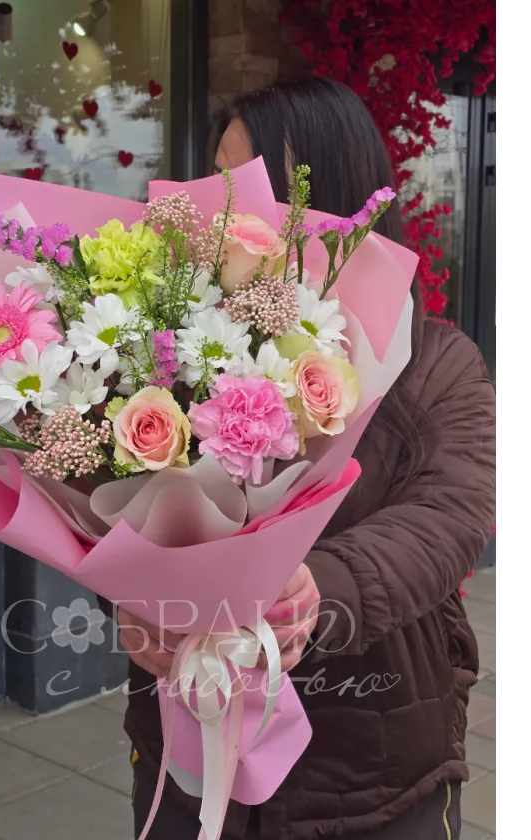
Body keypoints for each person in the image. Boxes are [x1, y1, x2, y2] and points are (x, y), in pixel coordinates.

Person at [114, 77, 497, 840]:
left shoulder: (433, 361)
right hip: (189, 750)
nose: (226, 209)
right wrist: (133, 601)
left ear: (329, 195)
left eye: (254, 184)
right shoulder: (176, 348)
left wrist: (317, 589)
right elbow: (115, 501)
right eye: (218, 181)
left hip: (372, 756)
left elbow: (450, 515)